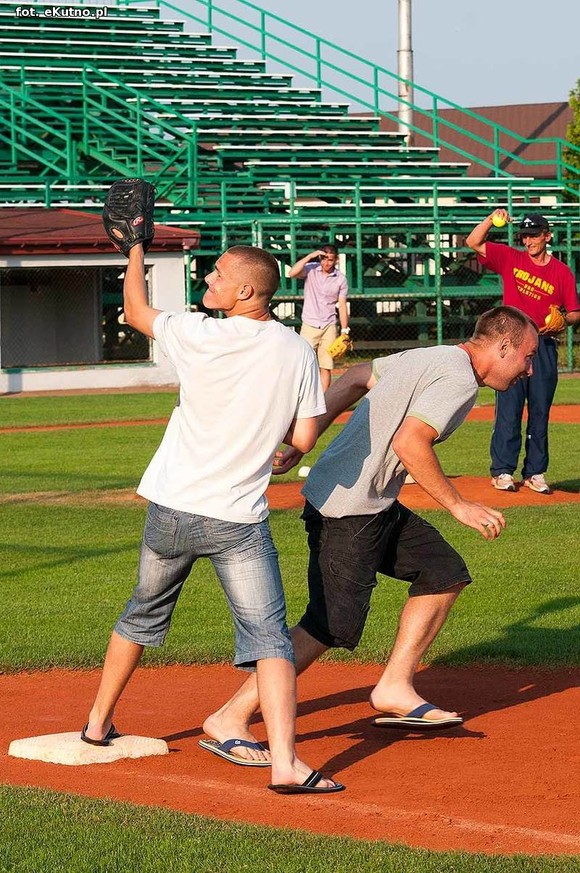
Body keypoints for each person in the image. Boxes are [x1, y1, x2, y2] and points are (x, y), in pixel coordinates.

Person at [200, 306, 539, 762]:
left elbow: (357, 376)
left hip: (368, 503)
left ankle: (395, 685)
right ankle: (230, 716)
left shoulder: (434, 355)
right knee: (328, 625)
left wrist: (308, 437)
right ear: (503, 346)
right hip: (348, 511)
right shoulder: (458, 379)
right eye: (527, 356)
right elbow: (409, 442)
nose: (529, 368)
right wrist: (459, 505)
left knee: (442, 572)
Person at [81, 243, 344, 795]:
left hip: (171, 509)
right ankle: (285, 765)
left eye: (219, 275)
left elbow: (133, 311)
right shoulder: (296, 351)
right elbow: (302, 436)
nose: (209, 278)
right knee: (270, 640)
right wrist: (291, 452)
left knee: (141, 615)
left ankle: (97, 725)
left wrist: (134, 250)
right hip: (236, 521)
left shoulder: (198, 333)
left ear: (247, 291)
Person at [466, 211, 580, 494]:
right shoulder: (511, 259)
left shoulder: (561, 272)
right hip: (511, 346)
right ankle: (503, 470)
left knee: (540, 411)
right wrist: (491, 220)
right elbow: (473, 241)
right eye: (525, 235)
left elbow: (575, 312)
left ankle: (535, 473)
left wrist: (563, 320)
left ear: (547, 236)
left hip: (543, 344)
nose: (528, 240)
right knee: (509, 408)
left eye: (534, 235)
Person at [289, 244, 349, 391]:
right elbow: (291, 273)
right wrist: (310, 256)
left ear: (336, 260)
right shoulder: (311, 269)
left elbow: (342, 305)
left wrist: (344, 329)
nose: (326, 263)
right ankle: (302, 397)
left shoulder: (341, 279)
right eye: (323, 259)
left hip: (329, 324)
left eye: (330, 260)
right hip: (310, 323)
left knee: (326, 366)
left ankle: (324, 402)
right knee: (303, 363)